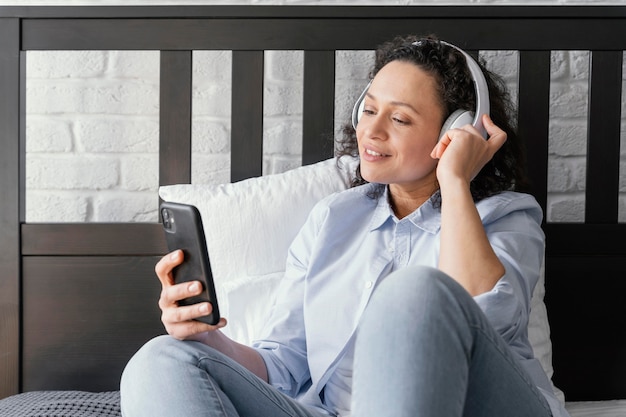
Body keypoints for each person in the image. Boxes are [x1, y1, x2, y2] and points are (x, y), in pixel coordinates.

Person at [120, 34, 570, 417]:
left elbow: (488, 321)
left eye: (399, 118)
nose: (371, 132)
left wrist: (455, 181)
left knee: (416, 291)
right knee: (161, 359)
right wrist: (208, 334)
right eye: (369, 110)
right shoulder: (333, 218)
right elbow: (286, 363)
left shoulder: (508, 217)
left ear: (454, 131)